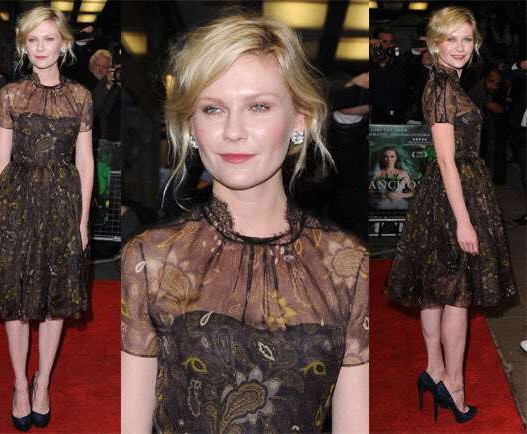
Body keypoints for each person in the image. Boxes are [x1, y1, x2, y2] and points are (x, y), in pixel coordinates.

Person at [121, 13, 369, 434]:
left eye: (258, 107)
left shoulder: (347, 263)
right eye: (213, 108)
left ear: (299, 120)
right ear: (191, 126)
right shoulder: (150, 257)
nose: (232, 131)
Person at [386, 6, 517, 424]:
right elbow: (446, 160)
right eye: (451, 39)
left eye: (466, 39)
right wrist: (464, 220)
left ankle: (434, 370)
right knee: (457, 292)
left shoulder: (446, 81)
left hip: (447, 191)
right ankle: (454, 386)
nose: (459, 47)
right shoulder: (443, 87)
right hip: (453, 193)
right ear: (435, 42)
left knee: (436, 285)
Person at [0, 6, 94, 431]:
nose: (41, 48)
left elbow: (85, 161)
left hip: (61, 204)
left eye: (48, 38)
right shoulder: (11, 95)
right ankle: (20, 386)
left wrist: (82, 221)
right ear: (24, 46)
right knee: (17, 298)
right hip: (17, 202)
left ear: (64, 43)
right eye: (32, 40)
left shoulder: (81, 97)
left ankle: (42, 381)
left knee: (55, 297)